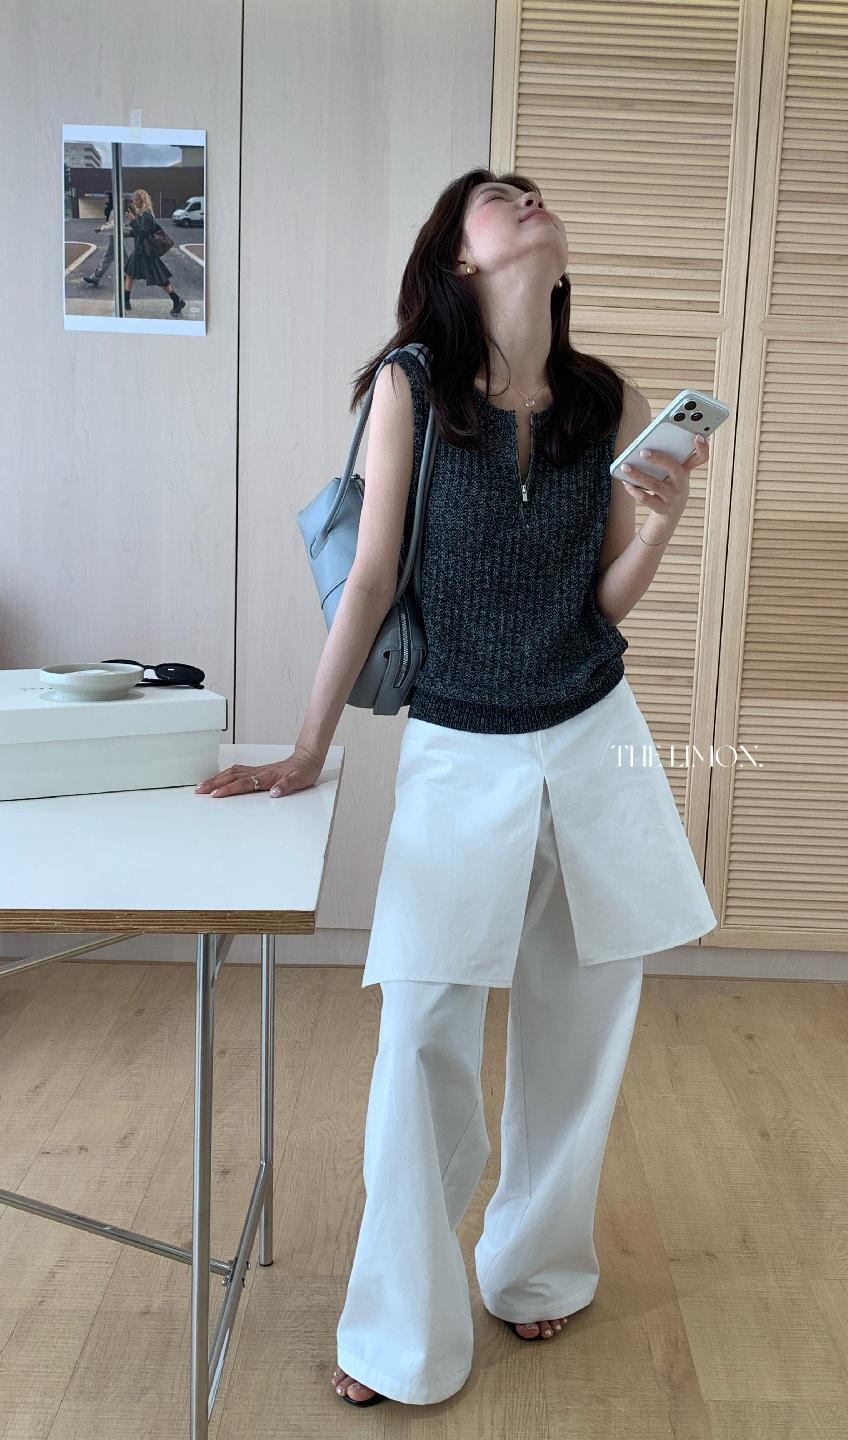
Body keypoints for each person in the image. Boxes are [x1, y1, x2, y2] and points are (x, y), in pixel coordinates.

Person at [194, 167, 718, 1408]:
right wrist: (308, 745)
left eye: (536, 193)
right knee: (425, 1034)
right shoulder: (413, 387)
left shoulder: (609, 401)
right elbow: (373, 578)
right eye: (499, 197)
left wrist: (662, 519)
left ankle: (536, 1269)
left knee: (581, 1025)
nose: (529, 201)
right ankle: (399, 1331)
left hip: (591, 737)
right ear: (462, 256)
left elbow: (602, 602)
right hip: (459, 749)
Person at [123, 187, 185, 315]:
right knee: (129, 273)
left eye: (137, 200)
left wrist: (133, 220)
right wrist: (126, 232)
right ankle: (126, 301)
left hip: (146, 253)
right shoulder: (142, 214)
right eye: (134, 200)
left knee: (160, 279)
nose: (134, 202)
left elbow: (144, 233)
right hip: (139, 251)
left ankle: (177, 300)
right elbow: (138, 232)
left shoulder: (147, 215)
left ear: (143, 200)